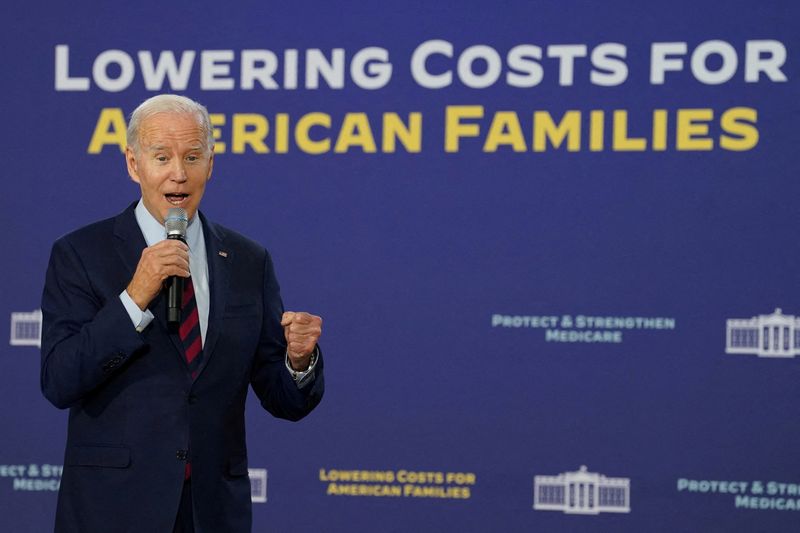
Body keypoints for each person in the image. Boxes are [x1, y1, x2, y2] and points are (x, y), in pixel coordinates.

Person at [40, 94, 324, 533]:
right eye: (162, 157)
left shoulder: (249, 260)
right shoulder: (80, 254)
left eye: (193, 156)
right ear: (134, 165)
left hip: (211, 511)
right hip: (113, 509)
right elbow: (60, 379)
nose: (178, 172)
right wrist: (134, 298)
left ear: (211, 164)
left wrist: (299, 362)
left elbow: (280, 395)